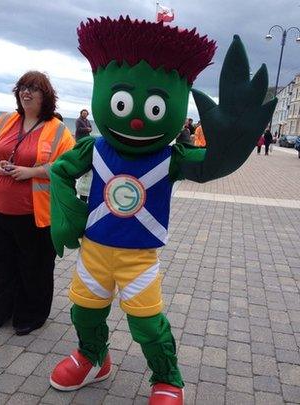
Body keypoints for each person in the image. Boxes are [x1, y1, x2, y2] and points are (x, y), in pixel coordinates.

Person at [49, 17, 276, 405]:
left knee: (147, 324)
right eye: (121, 103)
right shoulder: (96, 149)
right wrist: (65, 211)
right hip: (94, 252)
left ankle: (167, 378)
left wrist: (233, 140)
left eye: (153, 107)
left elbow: (209, 165)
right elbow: (60, 171)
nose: (136, 119)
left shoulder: (171, 157)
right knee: (84, 311)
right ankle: (93, 357)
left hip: (138, 259)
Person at [0, 71, 75, 335]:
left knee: (35, 267)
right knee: (3, 264)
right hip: (0, 209)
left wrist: (34, 172)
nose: (26, 92)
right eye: (22, 87)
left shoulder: (59, 130)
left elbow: (70, 166)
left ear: (46, 96)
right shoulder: (6, 120)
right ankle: (2, 309)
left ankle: (32, 314)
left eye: (33, 88)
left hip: (36, 214)